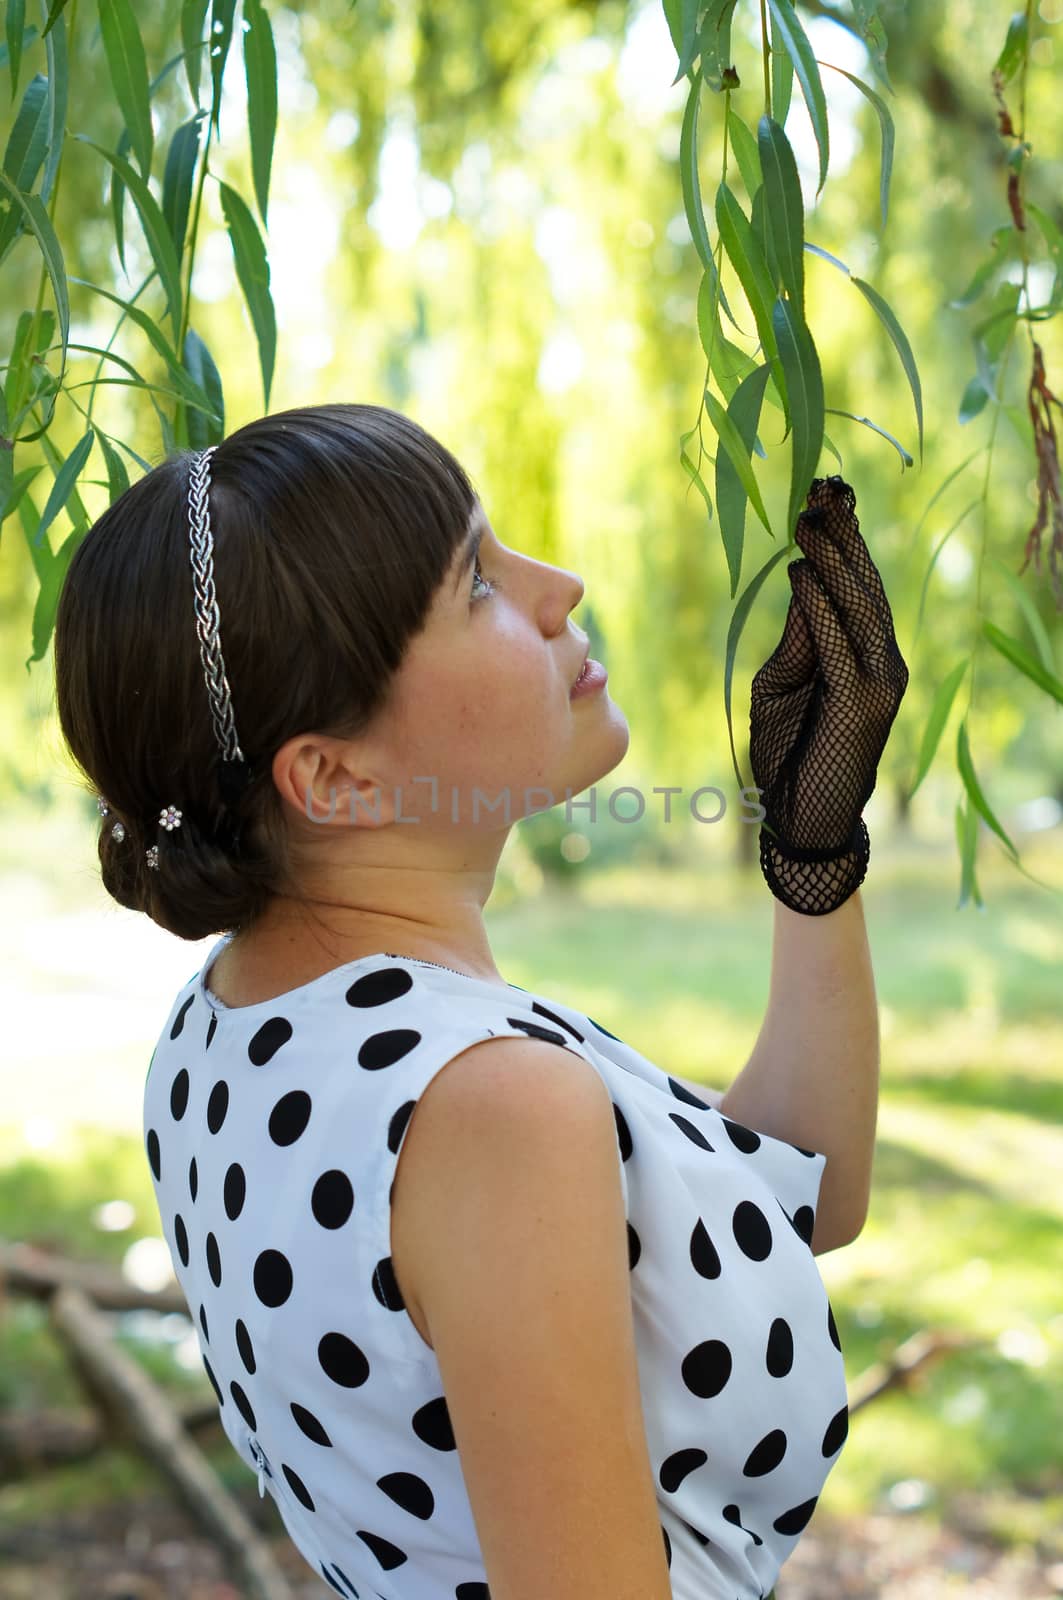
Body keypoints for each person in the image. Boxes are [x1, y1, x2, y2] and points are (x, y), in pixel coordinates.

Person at [53, 403, 908, 1600]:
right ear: (335, 776)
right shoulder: (487, 1107)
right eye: (477, 584)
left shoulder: (228, 1028)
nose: (559, 585)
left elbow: (792, 1194)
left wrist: (812, 845)